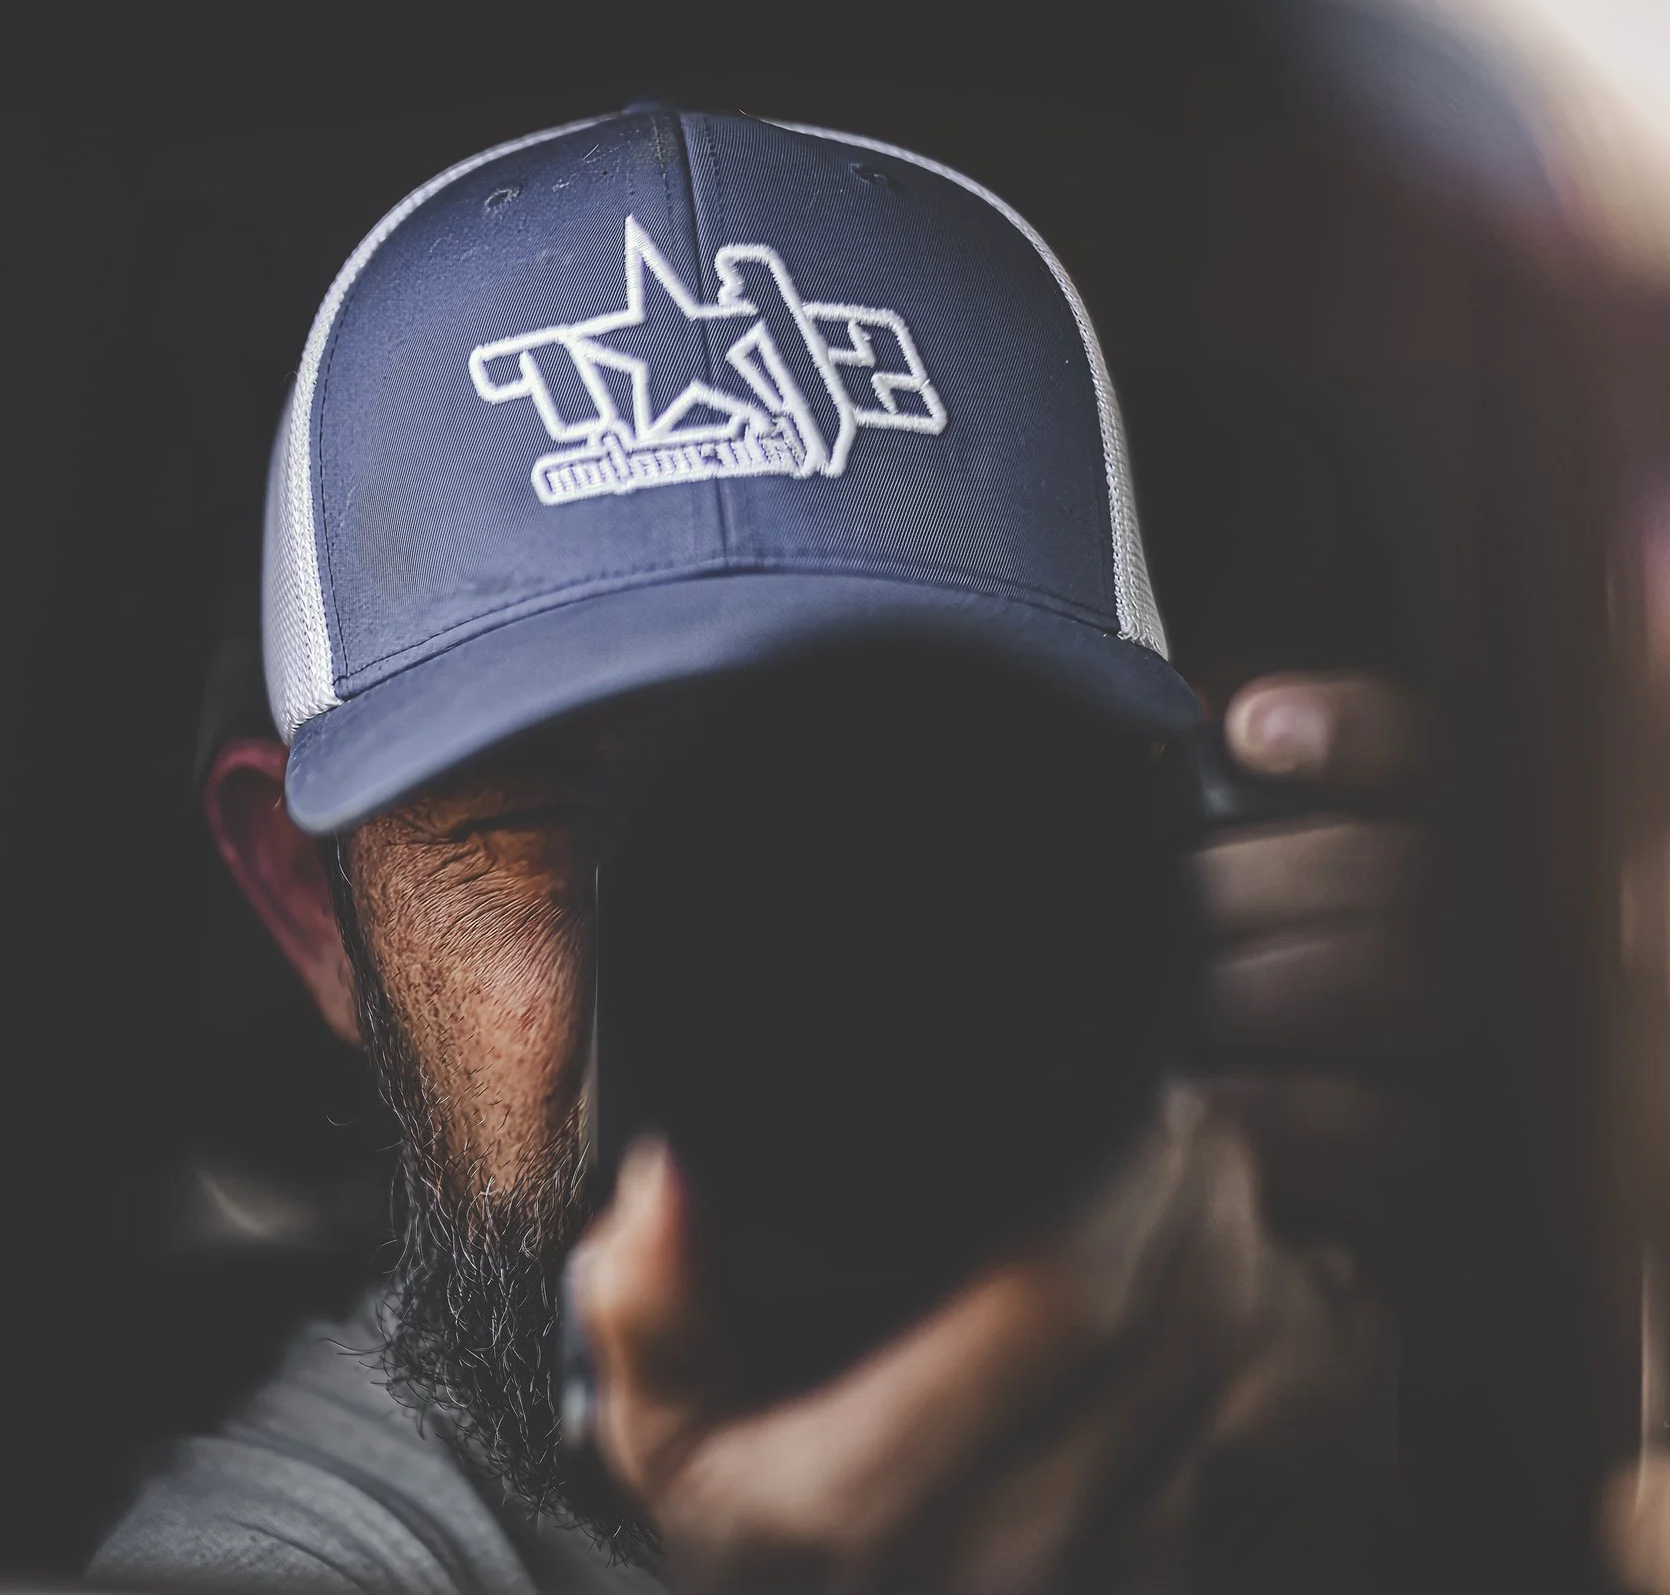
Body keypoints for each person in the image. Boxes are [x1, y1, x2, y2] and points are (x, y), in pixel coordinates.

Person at [93, 109, 1419, 1594]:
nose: (730, 959)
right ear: (314, 912)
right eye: (546, 820)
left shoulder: (1328, 1361)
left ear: (1145, 853)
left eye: (876, 806)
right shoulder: (292, 1560)